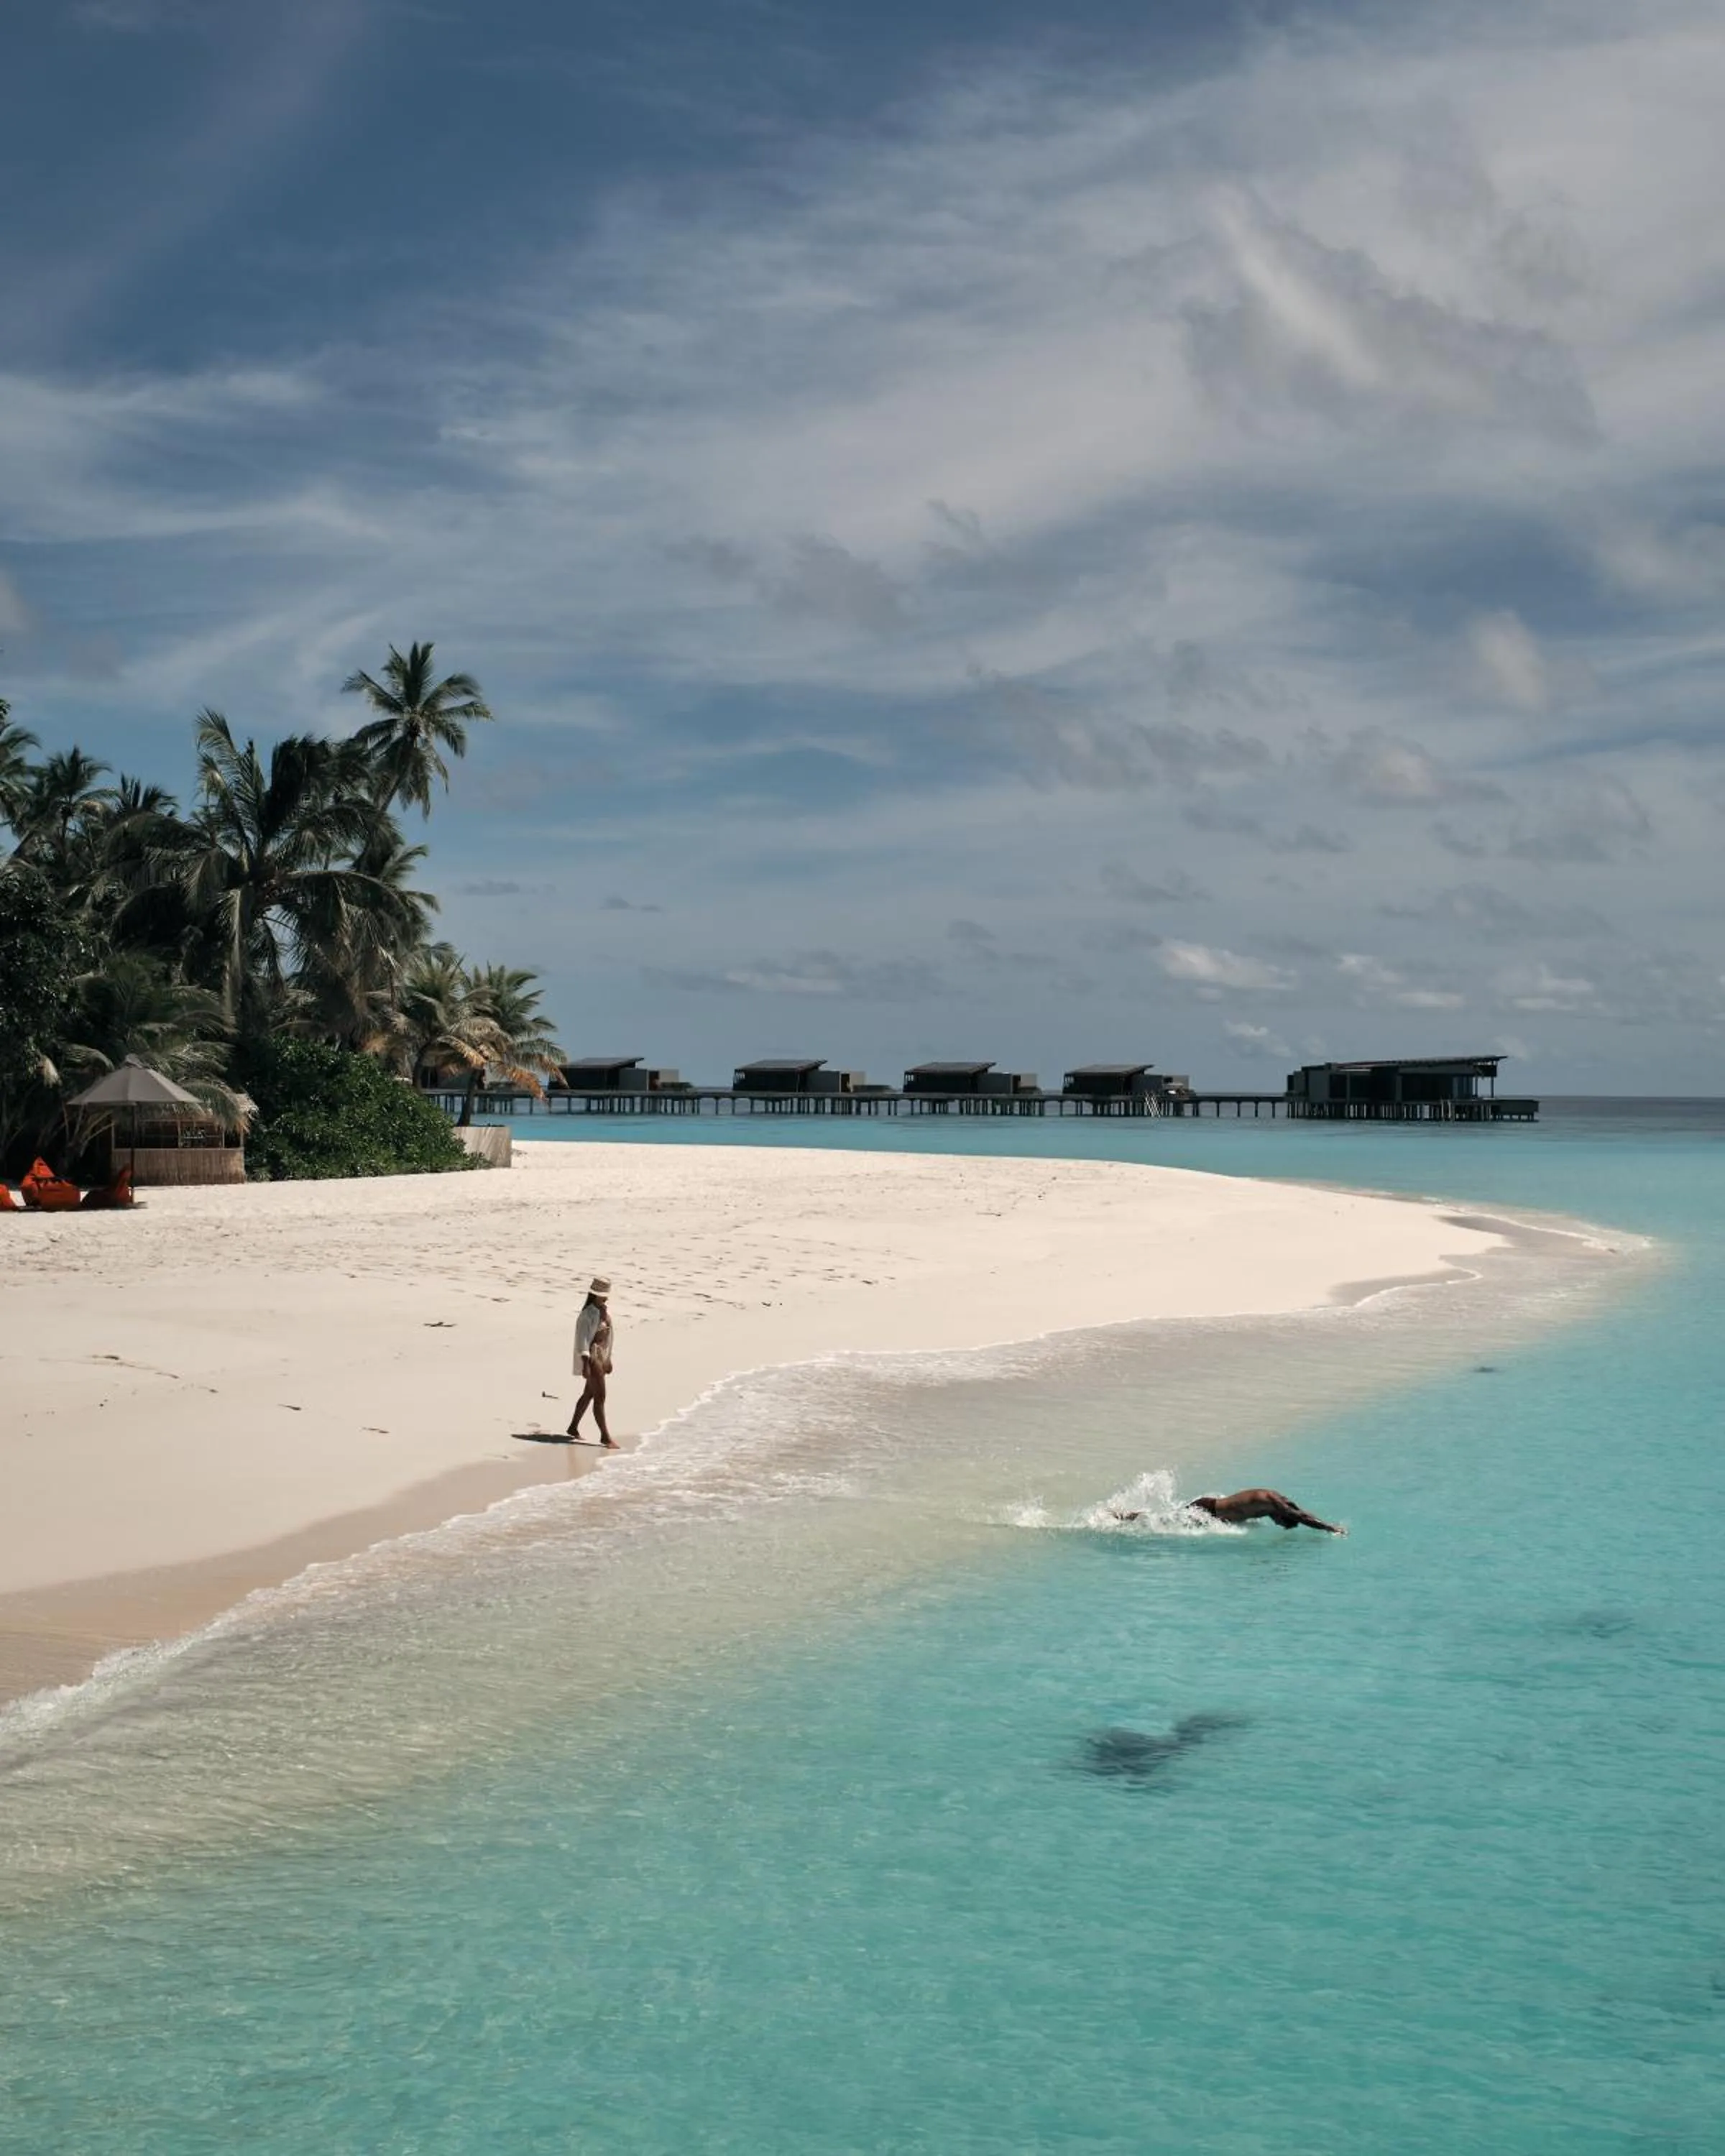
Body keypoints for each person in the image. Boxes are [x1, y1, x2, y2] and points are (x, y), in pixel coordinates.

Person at [1111, 1487, 1345, 1534]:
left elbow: (1297, 1511)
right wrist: (1329, 1528)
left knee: (1167, 1520)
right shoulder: (1274, 1502)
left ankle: (1127, 1515)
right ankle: (1123, 1516)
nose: (1277, 1525)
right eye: (1281, 1523)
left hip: (1217, 1515)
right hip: (1207, 1509)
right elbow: (1300, 1516)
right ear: (1281, 1515)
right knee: (1163, 1522)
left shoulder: (1275, 1504)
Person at [567, 1276, 617, 1446]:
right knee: (600, 1396)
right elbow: (582, 1341)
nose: (606, 1298)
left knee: (589, 1394)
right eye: (603, 1295)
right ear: (595, 1295)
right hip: (592, 1358)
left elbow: (608, 1338)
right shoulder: (587, 1315)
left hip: (601, 1358)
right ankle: (605, 1437)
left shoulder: (603, 1312)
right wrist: (586, 1365)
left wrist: (608, 1360)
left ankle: (573, 1427)